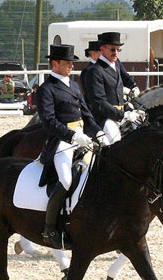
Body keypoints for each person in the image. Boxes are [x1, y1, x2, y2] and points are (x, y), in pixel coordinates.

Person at [36, 44, 104, 249]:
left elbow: (86, 113)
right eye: (67, 63)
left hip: (83, 137)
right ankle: (49, 229)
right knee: (66, 179)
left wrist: (98, 132)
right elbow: (49, 121)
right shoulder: (46, 89)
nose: (71, 66)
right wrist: (73, 136)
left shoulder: (74, 85)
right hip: (61, 142)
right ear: (54, 63)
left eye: (72, 62)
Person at [85, 32, 143, 145]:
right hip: (105, 118)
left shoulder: (116, 65)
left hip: (121, 113)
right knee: (116, 144)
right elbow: (99, 103)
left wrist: (129, 109)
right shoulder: (95, 71)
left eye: (118, 50)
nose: (116, 53)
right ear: (102, 49)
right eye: (113, 49)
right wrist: (123, 115)